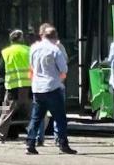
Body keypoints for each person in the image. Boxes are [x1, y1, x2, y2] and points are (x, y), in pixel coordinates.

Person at [25, 24, 76, 155]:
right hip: (53, 87)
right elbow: (64, 69)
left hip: (38, 88)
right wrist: (60, 80)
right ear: (55, 36)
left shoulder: (34, 48)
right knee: (60, 118)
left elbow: (31, 66)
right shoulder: (55, 49)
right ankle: (63, 144)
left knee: (36, 117)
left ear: (43, 35)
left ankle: (30, 143)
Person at [0, 29, 31, 144]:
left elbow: (1, 70)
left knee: (6, 113)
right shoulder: (29, 50)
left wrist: (7, 79)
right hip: (28, 86)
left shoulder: (6, 52)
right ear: (21, 38)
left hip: (12, 87)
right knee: (34, 113)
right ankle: (35, 137)